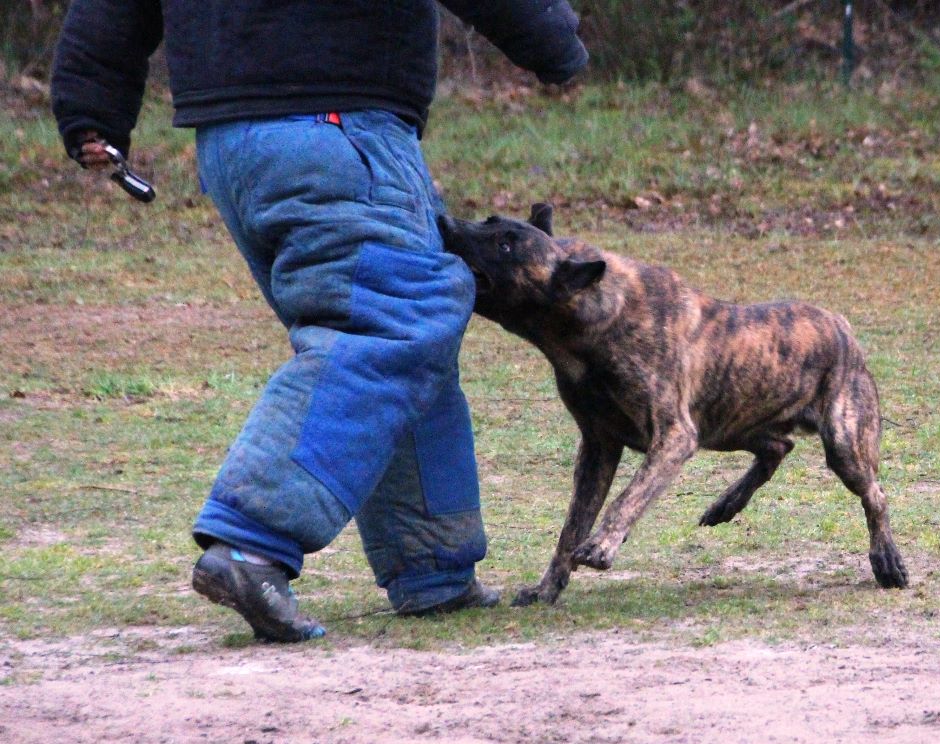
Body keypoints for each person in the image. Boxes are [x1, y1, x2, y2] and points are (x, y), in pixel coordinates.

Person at [51, 1, 588, 642]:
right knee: (389, 326)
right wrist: (553, 39)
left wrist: (91, 110)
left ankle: (433, 568)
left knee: (405, 335)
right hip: (335, 128)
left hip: (231, 146)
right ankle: (253, 546)